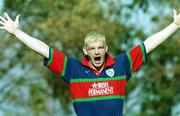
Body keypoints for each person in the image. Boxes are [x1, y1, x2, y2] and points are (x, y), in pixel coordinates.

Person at [0, 9, 180, 116]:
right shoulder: (73, 68)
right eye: (92, 48)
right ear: (86, 51)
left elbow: (148, 45)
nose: (97, 52)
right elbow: (42, 49)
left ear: (105, 49)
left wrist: (174, 26)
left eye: (100, 48)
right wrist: (17, 33)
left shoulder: (121, 65)